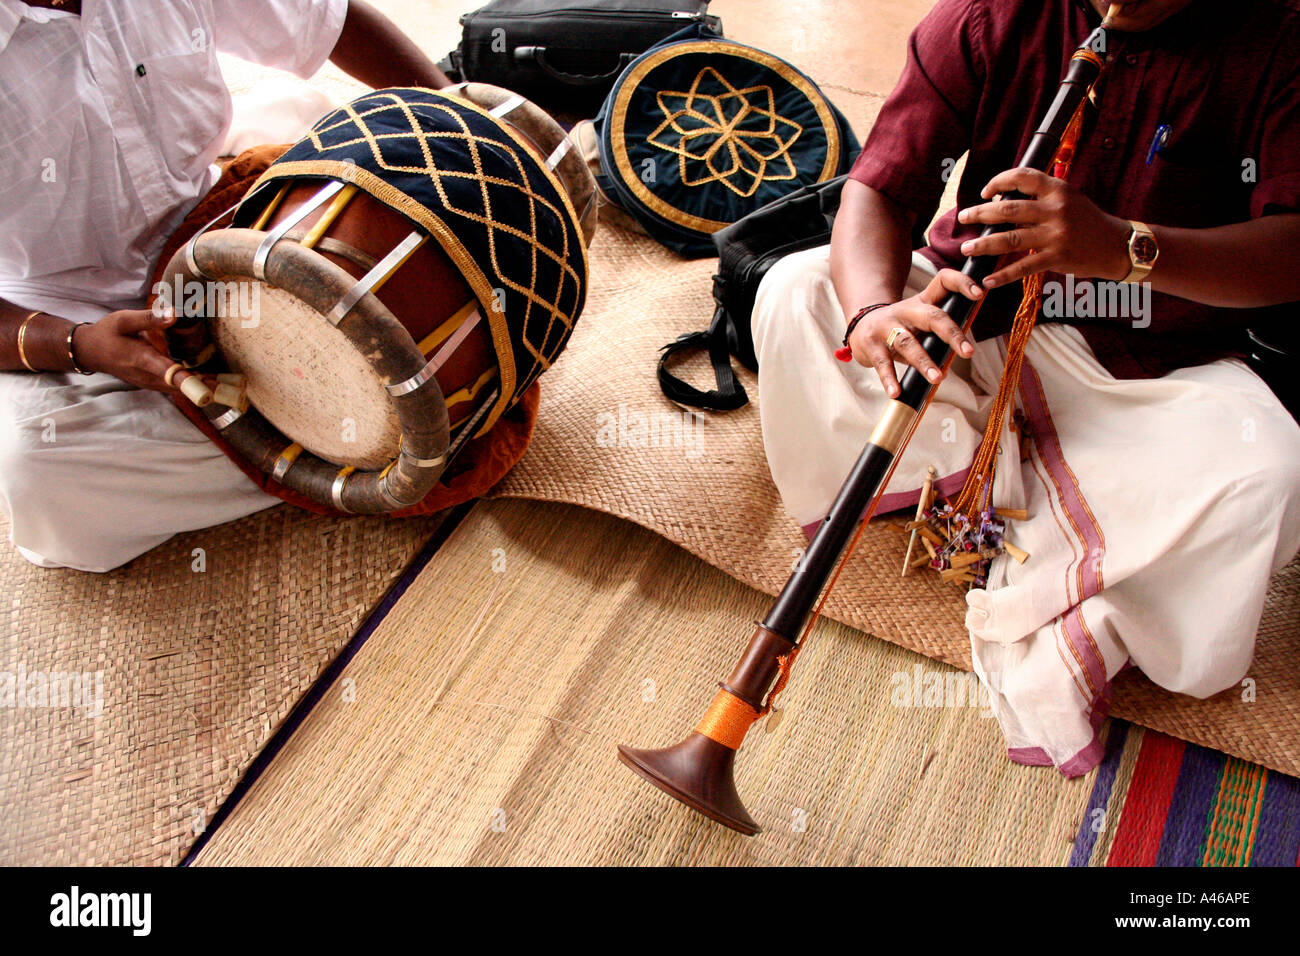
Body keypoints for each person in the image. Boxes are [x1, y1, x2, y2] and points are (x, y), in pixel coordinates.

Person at [751, 0, 1300, 775]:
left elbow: (1290, 250)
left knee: (1272, 471)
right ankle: (1021, 518)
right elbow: (877, 191)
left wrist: (1123, 248)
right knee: (796, 292)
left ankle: (1010, 519)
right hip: (967, 327)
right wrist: (876, 310)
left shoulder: (1278, 36)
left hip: (1145, 373)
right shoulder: (990, 17)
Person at [0, 0, 450, 572]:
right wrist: (81, 345)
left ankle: (296, 426)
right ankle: (336, 432)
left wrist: (463, 117)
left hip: (231, 222)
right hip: (73, 313)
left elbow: (330, 21)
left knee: (399, 221)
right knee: (38, 467)